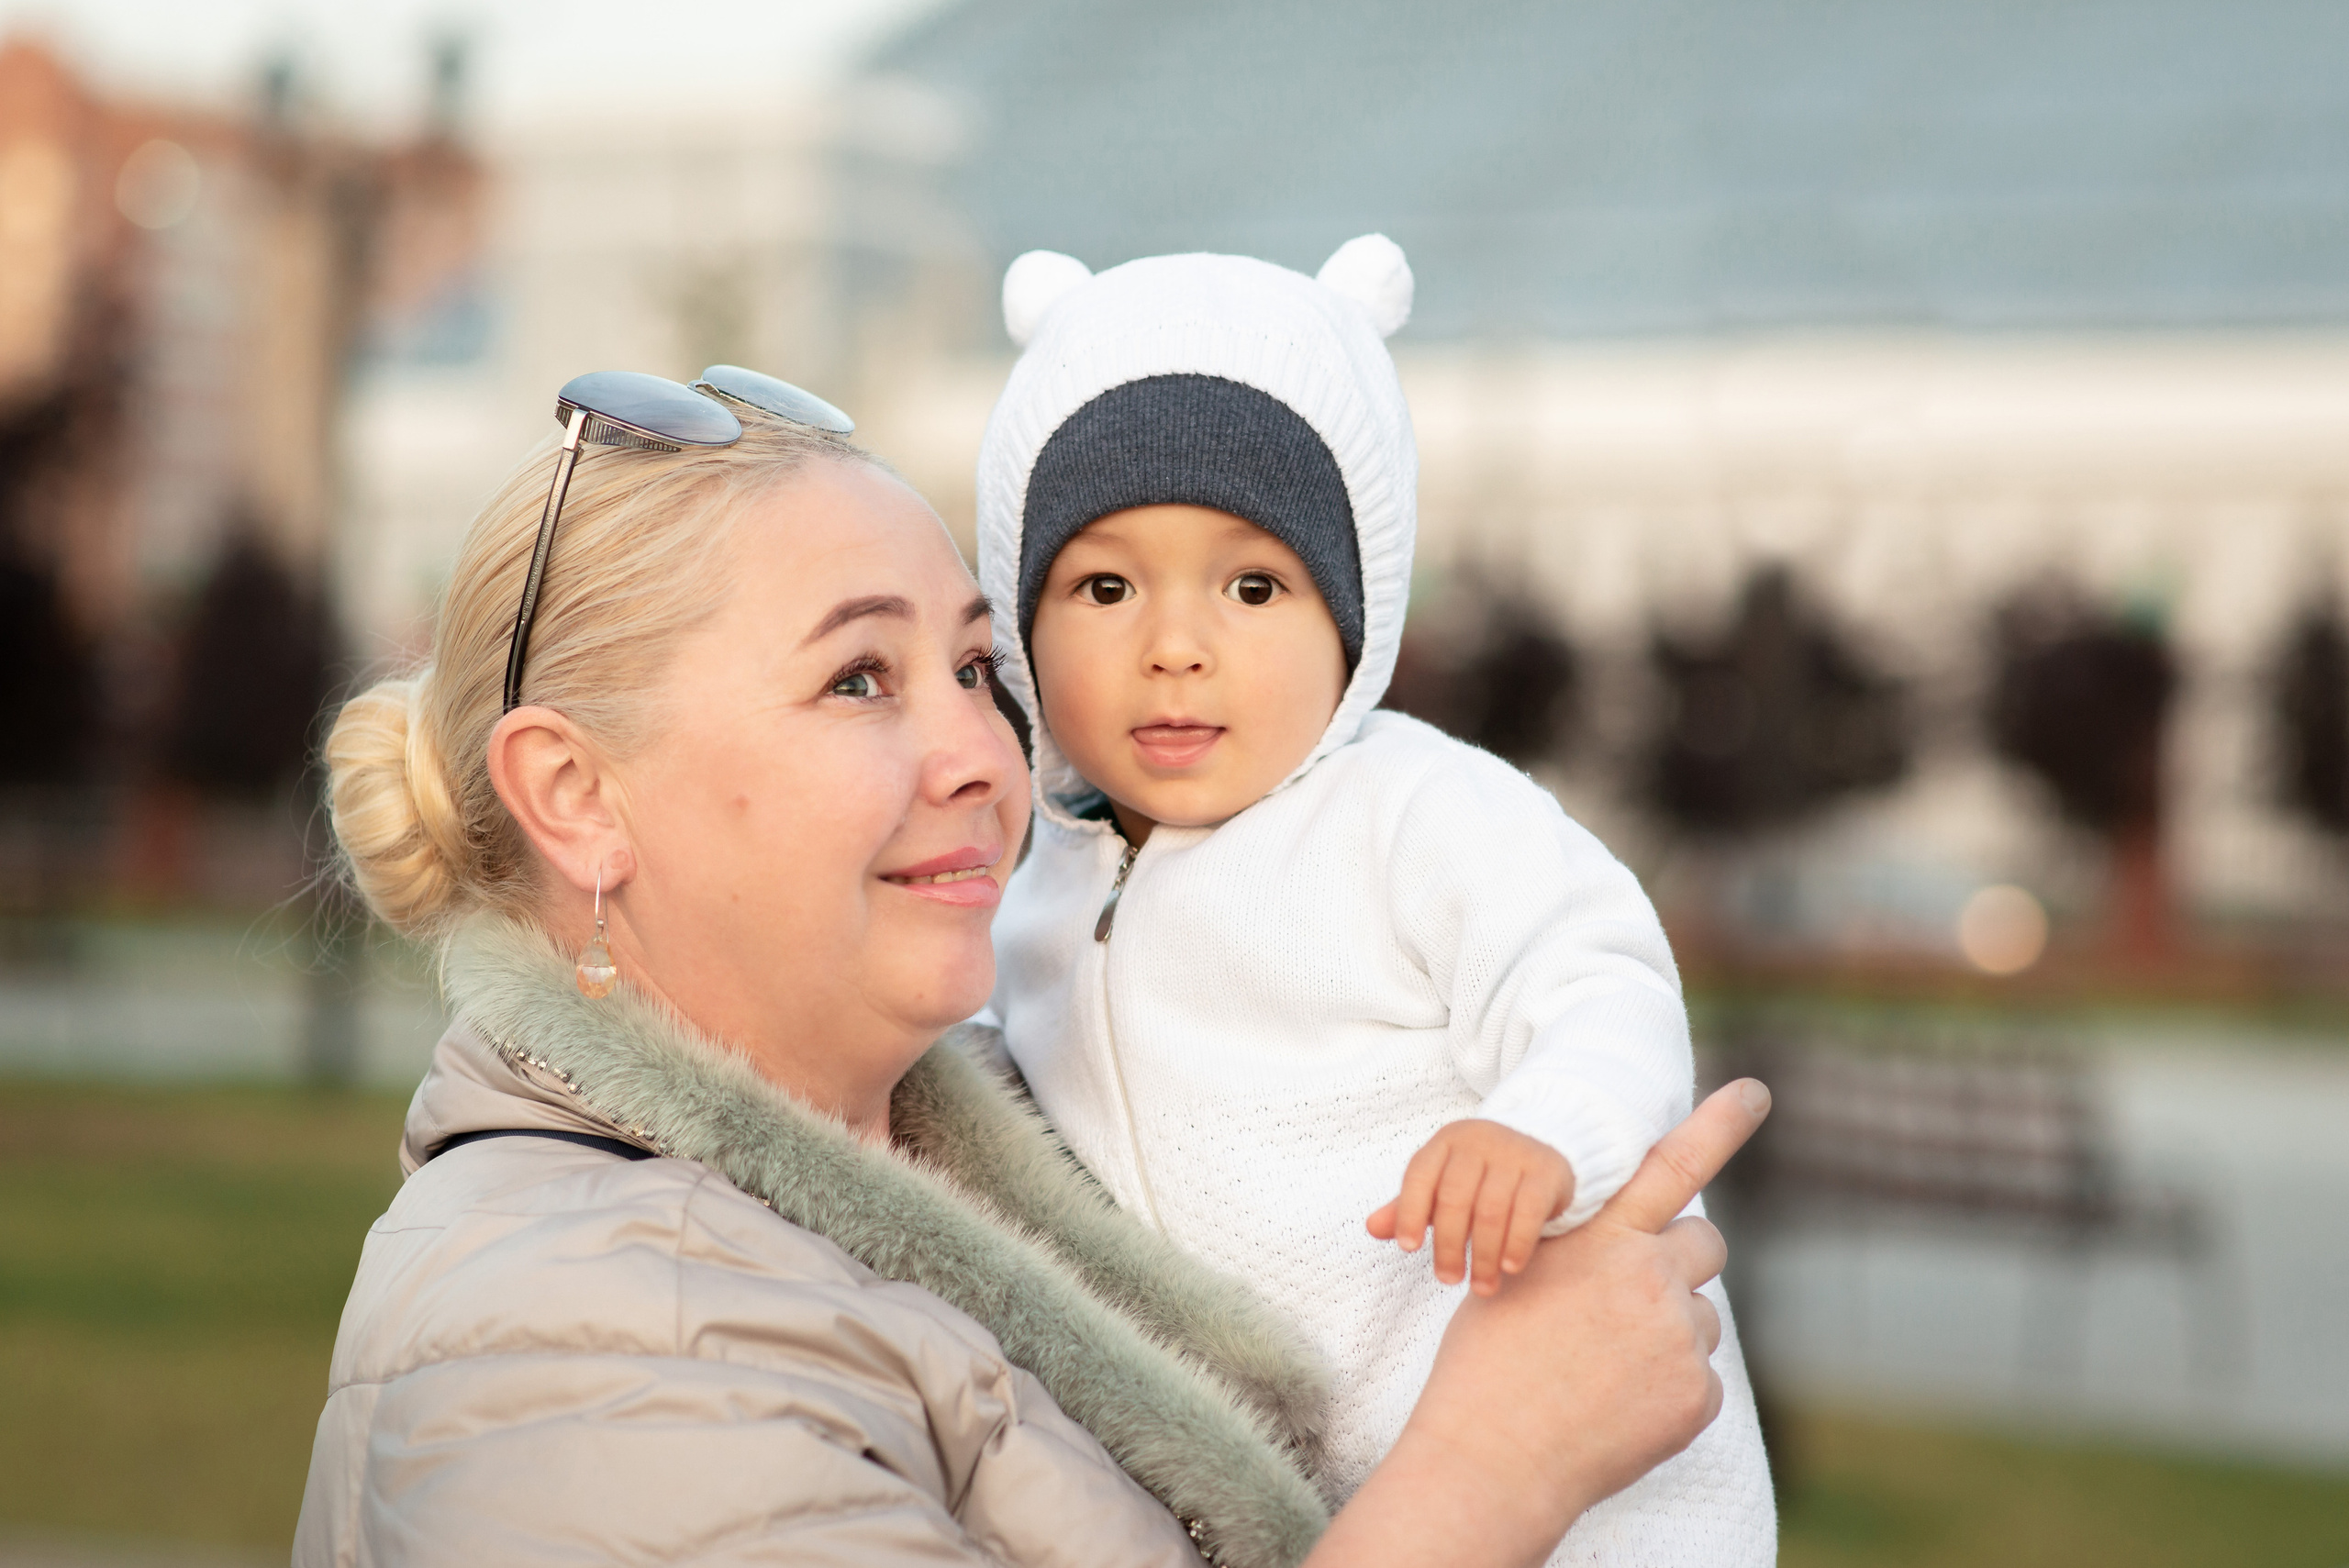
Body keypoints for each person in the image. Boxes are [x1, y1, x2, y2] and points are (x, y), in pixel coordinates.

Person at [296, 389, 1765, 1567]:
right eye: (859, 678)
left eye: (978, 669)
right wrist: (1491, 1472)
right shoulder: (584, 1343)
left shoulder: (1014, 1152)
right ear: (575, 794)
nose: (988, 761)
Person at [974, 238, 1775, 1563]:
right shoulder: (1029, 896)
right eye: (1105, 585)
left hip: (1587, 1478)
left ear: (1356, 621)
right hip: (1331, 1512)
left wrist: (1545, 1127)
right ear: (1018, 621)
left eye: (1254, 585)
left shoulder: (1417, 811)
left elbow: (1600, 977)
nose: (1176, 643)